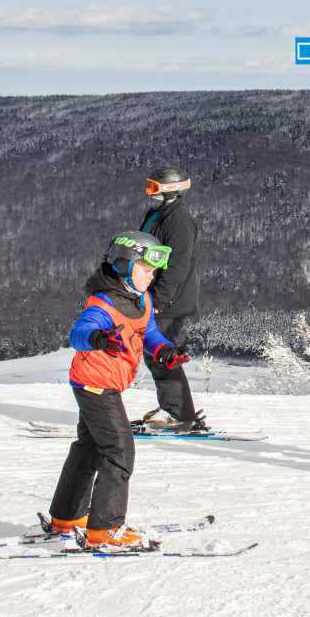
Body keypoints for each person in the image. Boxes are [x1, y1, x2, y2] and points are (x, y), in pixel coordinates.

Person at [43, 231, 190, 550]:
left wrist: (164, 350)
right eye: (147, 269)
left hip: (98, 382)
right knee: (119, 451)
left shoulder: (142, 298)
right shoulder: (104, 301)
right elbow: (78, 333)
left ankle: (67, 518)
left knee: (90, 447)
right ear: (124, 265)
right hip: (96, 385)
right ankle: (105, 529)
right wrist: (97, 338)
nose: (153, 275)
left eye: (154, 270)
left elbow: (147, 331)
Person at [137, 165, 206, 430]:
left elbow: (177, 263)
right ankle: (175, 409)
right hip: (157, 295)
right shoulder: (159, 213)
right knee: (157, 354)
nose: (148, 192)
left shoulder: (177, 219)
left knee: (162, 354)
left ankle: (179, 413)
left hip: (169, 300)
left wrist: (159, 299)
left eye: (153, 187)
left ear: (170, 190)